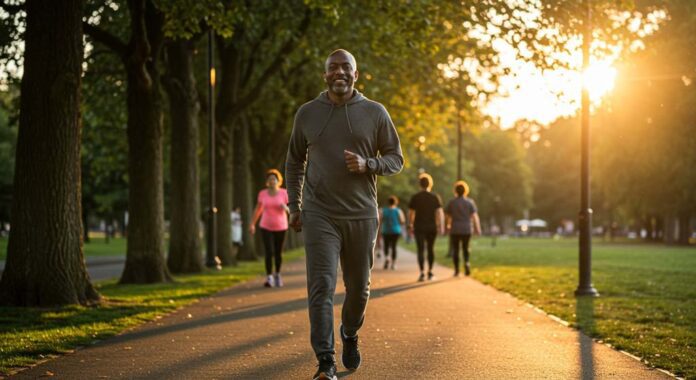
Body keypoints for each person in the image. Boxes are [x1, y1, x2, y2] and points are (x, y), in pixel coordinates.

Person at [285, 49, 403, 380]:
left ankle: (349, 333)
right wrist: (295, 205)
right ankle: (325, 361)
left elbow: (396, 157)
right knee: (321, 287)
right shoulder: (307, 113)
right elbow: (294, 161)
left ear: (356, 74)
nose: (340, 72)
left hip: (361, 215)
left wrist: (370, 164)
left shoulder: (375, 112)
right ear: (325, 75)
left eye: (345, 67)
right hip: (319, 213)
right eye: (333, 67)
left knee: (358, 289)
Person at [249, 169, 289, 288]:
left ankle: (277, 274)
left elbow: (290, 209)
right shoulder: (262, 194)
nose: (272, 181)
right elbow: (258, 209)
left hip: (281, 227)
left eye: (274, 179)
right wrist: (252, 223)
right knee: (269, 251)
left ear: (278, 181)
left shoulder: (284, 193)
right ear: (267, 181)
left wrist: (285, 208)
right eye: (270, 179)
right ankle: (269, 277)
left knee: (278, 253)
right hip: (265, 226)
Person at [408, 172, 444, 282]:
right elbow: (438, 213)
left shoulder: (415, 197)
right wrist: (439, 225)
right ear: (430, 184)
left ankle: (422, 272)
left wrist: (410, 224)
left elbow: (411, 213)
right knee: (430, 249)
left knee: (420, 249)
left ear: (420, 184)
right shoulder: (434, 197)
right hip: (431, 227)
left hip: (419, 226)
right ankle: (431, 272)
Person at [445, 180, 481, 276]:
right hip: (466, 228)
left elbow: (448, 216)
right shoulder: (470, 202)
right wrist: (478, 228)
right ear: (466, 190)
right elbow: (474, 216)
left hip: (455, 228)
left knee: (456, 249)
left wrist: (448, 226)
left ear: (455, 191)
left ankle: (456, 270)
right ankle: (467, 263)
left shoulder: (452, 202)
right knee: (466, 248)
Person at [378, 195, 405, 270]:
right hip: (396, 231)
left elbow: (380, 221)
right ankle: (393, 264)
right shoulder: (398, 210)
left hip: (386, 230)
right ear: (396, 202)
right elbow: (402, 221)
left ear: (388, 202)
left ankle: (387, 257)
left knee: (386, 245)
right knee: (394, 246)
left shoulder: (383, 210)